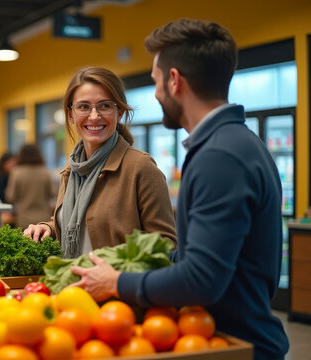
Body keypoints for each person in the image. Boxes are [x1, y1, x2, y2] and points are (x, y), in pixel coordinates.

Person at [69, 19, 289, 360]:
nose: (157, 93)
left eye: (156, 82)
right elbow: (195, 258)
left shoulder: (219, 156)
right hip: (217, 337)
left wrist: (117, 282)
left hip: (236, 344)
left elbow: (202, 278)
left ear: (174, 81)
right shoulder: (237, 143)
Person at [24, 66, 177, 258]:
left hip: (118, 287)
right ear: (71, 114)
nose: (94, 116)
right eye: (83, 107)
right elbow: (73, 223)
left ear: (119, 111)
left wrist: (117, 270)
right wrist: (47, 228)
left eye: (105, 106)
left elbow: (166, 246)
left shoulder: (140, 167)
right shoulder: (72, 169)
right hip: (71, 286)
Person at [6, 144, 55, 229]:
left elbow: (11, 197)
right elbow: (52, 193)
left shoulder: (17, 172)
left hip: (24, 218)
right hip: (43, 219)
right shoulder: (45, 172)